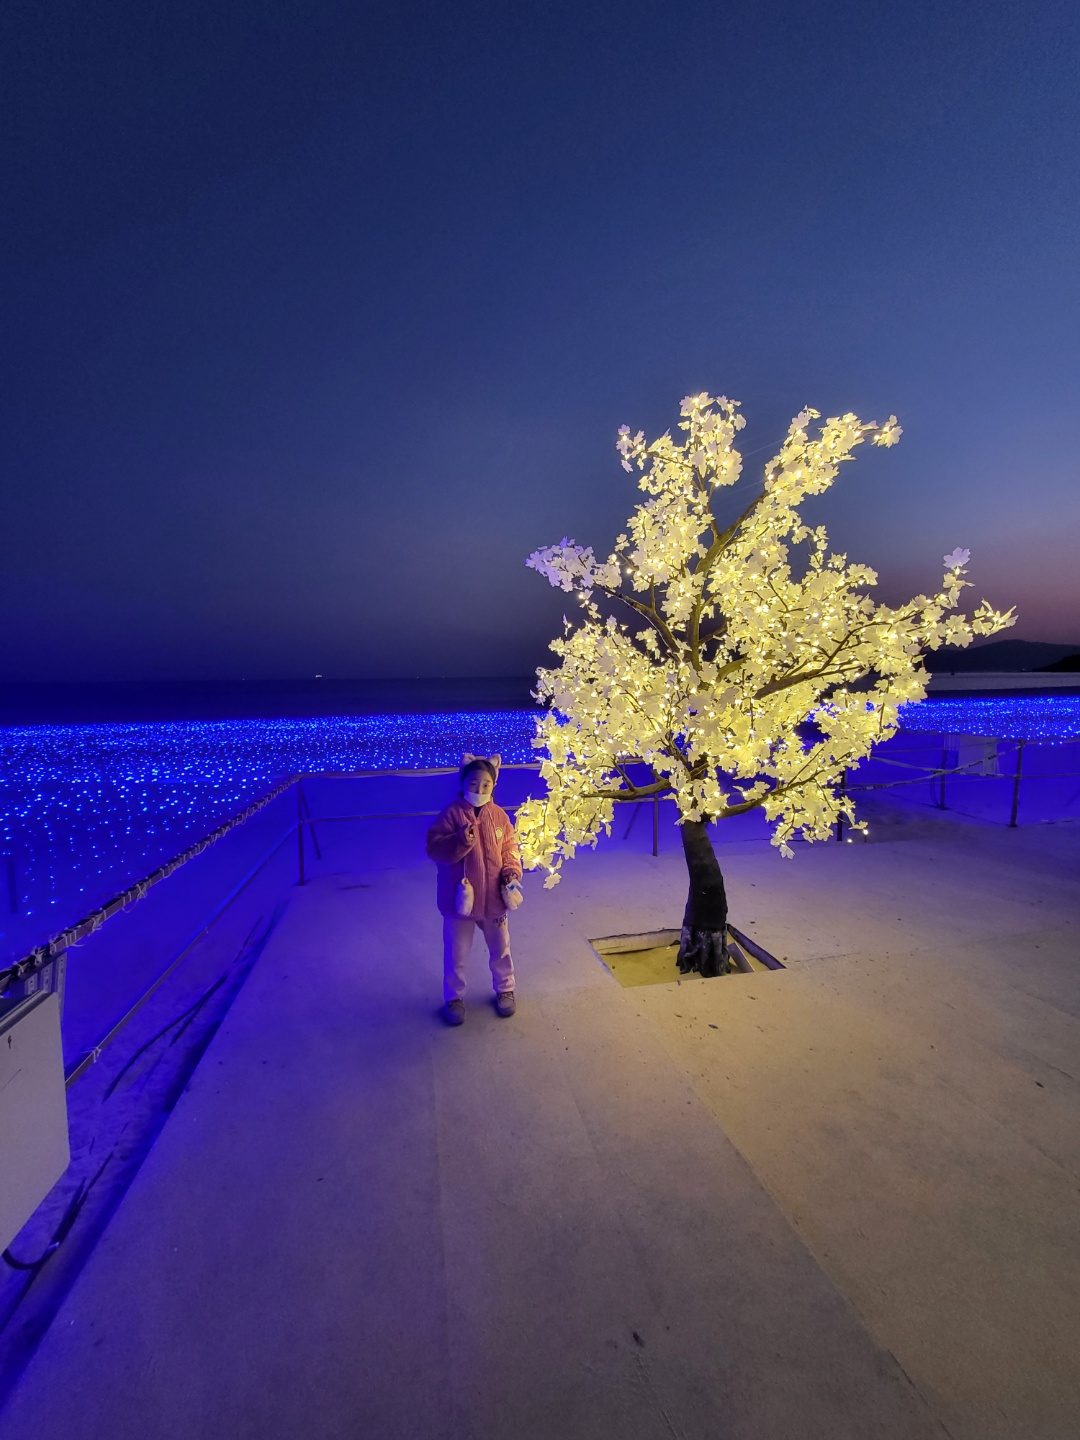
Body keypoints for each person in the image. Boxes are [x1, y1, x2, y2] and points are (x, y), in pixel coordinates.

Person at [426, 752, 523, 1025]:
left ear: (493, 786)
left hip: (494, 899)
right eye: (473, 784)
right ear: (462, 784)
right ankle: (453, 997)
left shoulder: (500, 816)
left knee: (501, 947)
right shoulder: (451, 815)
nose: (479, 790)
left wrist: (511, 874)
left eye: (485, 785)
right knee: (456, 952)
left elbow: (510, 849)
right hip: (460, 901)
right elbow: (435, 847)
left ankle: (505, 989)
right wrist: (459, 840)